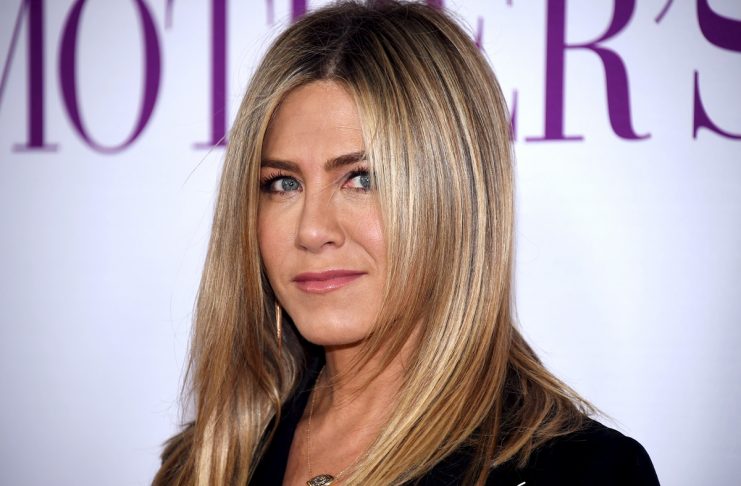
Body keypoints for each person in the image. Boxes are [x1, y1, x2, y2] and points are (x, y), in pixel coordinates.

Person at [153, 1, 660, 485]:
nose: (311, 230)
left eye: (362, 178)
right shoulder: (204, 462)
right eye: (284, 184)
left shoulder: (580, 473)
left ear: (454, 199)